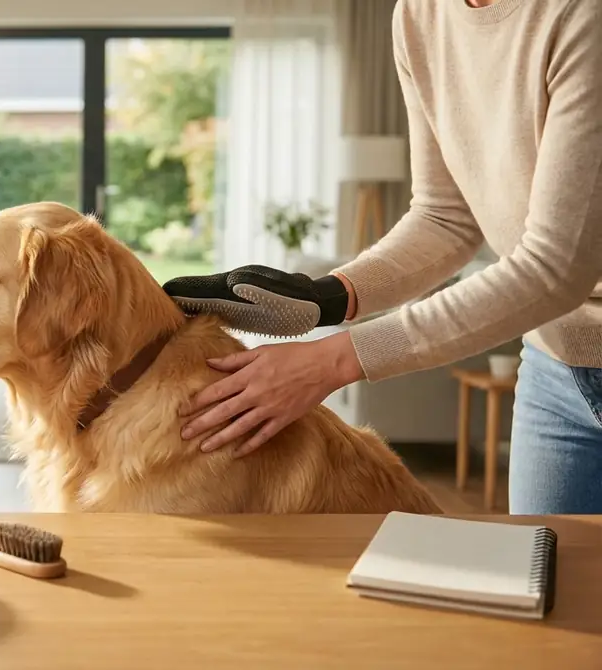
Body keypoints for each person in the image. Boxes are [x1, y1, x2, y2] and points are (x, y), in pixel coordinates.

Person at [164, 0, 602, 515]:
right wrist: (327, 297)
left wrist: (330, 362)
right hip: (557, 365)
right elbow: (445, 216)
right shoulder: (419, 15)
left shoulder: (580, 15)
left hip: (561, 322)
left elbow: (557, 268)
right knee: (553, 581)